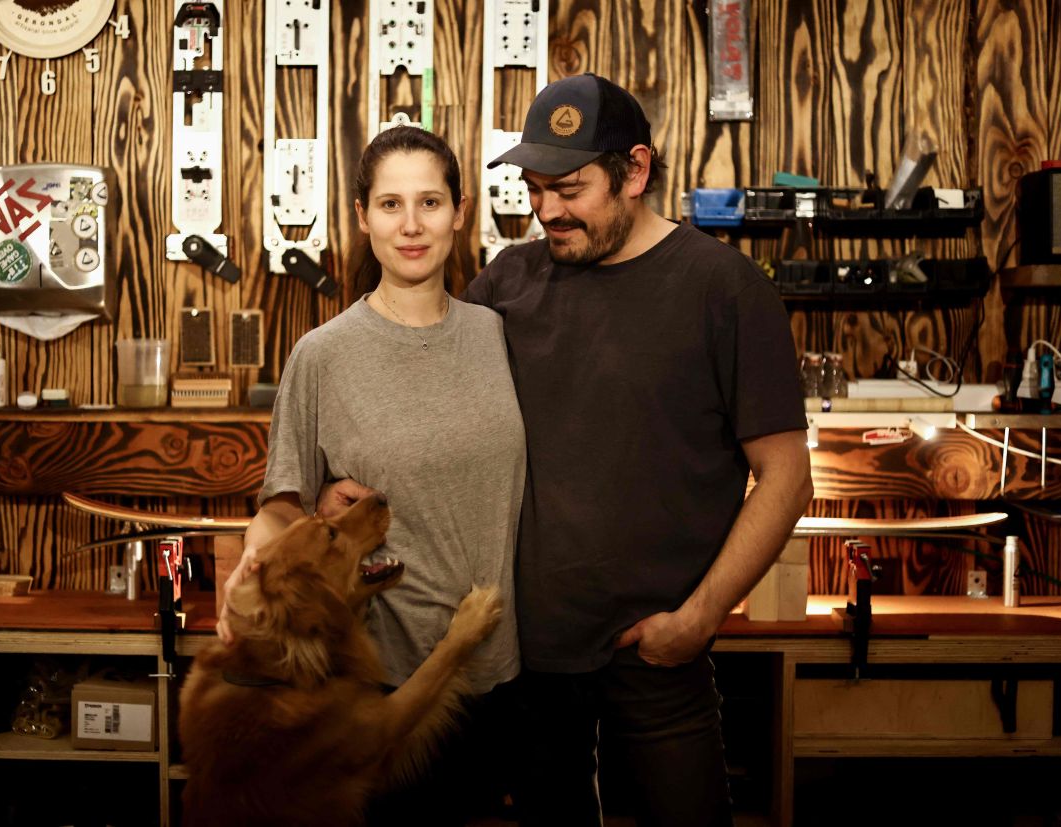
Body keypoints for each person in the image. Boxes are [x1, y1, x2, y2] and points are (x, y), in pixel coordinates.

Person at [323, 74, 814, 826]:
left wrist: (701, 616)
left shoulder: (725, 289)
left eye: (571, 188)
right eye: (534, 187)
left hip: (658, 658)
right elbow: (423, 400)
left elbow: (786, 476)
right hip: (527, 663)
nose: (546, 209)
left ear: (636, 171)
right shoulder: (509, 282)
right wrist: (338, 488)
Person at [217, 125, 526, 826]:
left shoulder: (498, 336)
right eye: (390, 204)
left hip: (499, 668)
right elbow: (282, 505)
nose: (411, 225)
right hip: (381, 683)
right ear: (361, 217)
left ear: (460, 210)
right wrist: (252, 563)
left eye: (429, 202)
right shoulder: (323, 355)